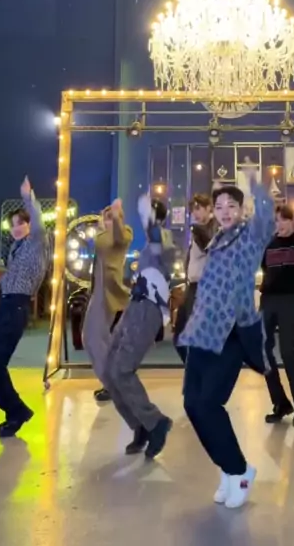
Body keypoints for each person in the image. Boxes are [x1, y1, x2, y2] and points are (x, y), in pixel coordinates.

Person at [178, 170, 275, 509]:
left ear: (242, 209)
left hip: (231, 332)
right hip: (201, 332)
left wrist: (256, 186)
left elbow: (267, 217)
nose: (224, 212)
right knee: (192, 404)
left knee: (208, 403)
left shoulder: (250, 237)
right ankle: (227, 469)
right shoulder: (216, 239)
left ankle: (241, 471)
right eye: (219, 207)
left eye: (231, 205)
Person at [102, 195, 175, 458]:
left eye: (149, 217)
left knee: (122, 369)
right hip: (134, 307)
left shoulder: (163, 239)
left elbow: (156, 239)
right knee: (110, 370)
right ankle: (140, 425)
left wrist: (147, 214)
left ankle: (155, 423)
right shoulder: (148, 245)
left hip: (148, 309)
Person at [0, 177, 46, 437]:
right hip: (6, 304)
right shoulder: (16, 249)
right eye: (13, 225)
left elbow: (39, 221)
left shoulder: (37, 243)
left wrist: (28, 197)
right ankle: (15, 410)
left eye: (21, 223)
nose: (16, 228)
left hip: (16, 307)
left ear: (29, 225)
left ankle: (16, 411)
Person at [260, 204, 294, 426]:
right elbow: (264, 268)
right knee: (262, 351)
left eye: (284, 219)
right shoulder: (269, 243)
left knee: (287, 352)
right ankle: (280, 403)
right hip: (268, 301)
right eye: (277, 220)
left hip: (289, 301)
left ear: (292, 222)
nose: (280, 224)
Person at [82, 199, 133, 403]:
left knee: (94, 338)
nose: (108, 221)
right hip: (99, 292)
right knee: (98, 339)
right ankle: (115, 381)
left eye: (112, 218)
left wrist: (116, 216)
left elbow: (119, 236)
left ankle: (113, 384)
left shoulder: (124, 233)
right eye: (106, 217)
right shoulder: (104, 236)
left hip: (108, 293)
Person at [174, 194, 215, 363]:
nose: (195, 213)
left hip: (203, 288)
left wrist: (197, 230)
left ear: (208, 208)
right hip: (192, 287)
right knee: (179, 336)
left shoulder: (213, 227)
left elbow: (210, 246)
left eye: (198, 209)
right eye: (193, 210)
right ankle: (196, 369)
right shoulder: (198, 230)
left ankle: (202, 371)